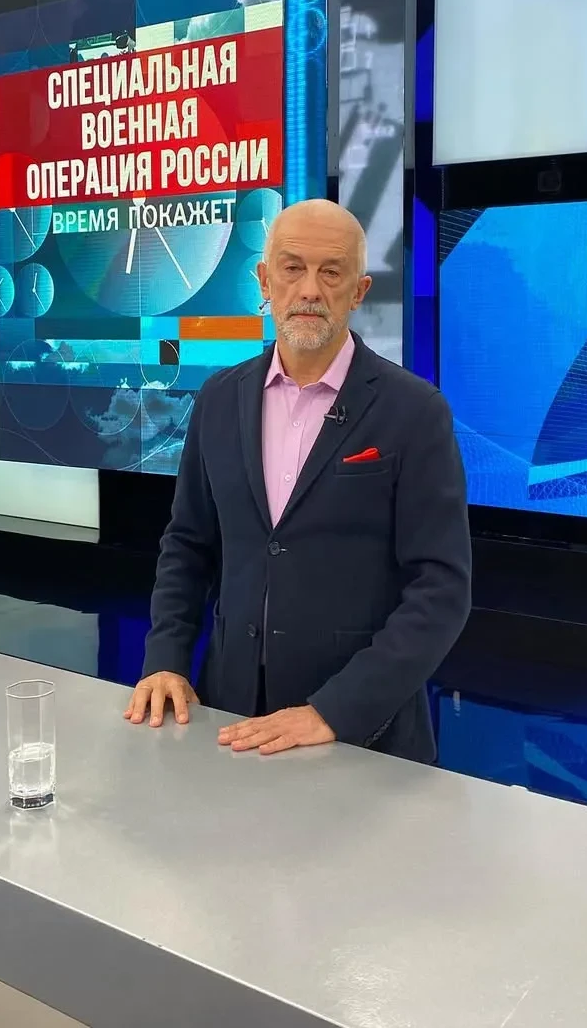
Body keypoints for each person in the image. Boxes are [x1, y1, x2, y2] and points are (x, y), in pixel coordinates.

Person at [124, 199, 471, 762]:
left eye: (331, 272)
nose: (309, 290)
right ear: (265, 281)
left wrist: (334, 710)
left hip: (361, 740)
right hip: (230, 719)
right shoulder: (219, 399)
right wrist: (165, 659)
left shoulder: (415, 411)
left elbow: (441, 589)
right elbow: (187, 544)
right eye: (292, 268)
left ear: (358, 292)